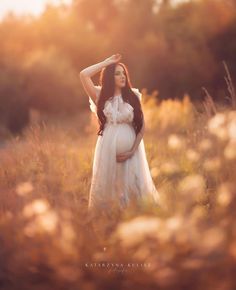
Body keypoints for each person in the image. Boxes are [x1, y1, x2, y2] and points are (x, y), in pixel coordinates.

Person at [80, 54, 160, 218]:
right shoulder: (99, 96)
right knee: (110, 188)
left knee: (133, 187)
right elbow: (83, 75)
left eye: (123, 73)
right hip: (107, 150)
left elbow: (142, 125)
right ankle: (111, 222)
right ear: (110, 76)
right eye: (117, 73)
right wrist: (106, 63)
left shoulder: (133, 96)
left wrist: (132, 150)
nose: (122, 76)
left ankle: (137, 220)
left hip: (132, 152)